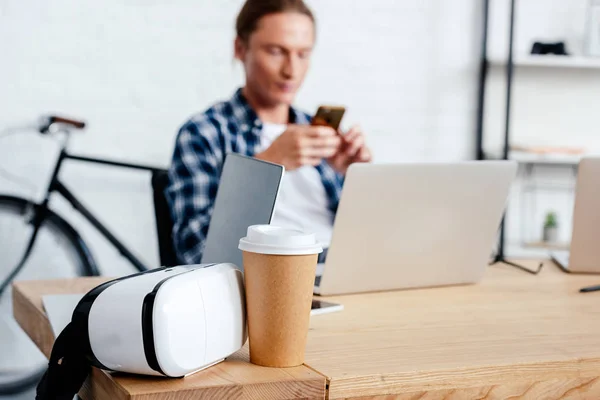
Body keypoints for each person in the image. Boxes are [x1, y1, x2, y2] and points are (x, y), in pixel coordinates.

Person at [166, 0, 371, 265]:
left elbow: (367, 243)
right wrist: (269, 164)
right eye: (276, 52)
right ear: (240, 48)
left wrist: (357, 181)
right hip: (272, 278)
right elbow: (197, 253)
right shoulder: (204, 134)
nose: (291, 71)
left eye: (303, 54)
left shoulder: (321, 134)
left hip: (338, 272)